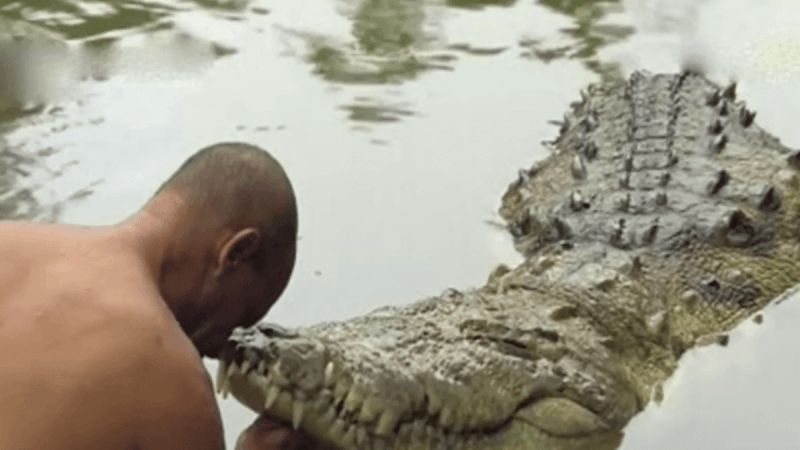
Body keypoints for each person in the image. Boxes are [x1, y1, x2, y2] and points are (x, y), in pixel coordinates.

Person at [0, 142, 312, 449]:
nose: (221, 349)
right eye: (240, 319)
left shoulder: (8, 239)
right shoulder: (174, 380)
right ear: (234, 253)